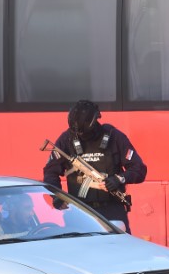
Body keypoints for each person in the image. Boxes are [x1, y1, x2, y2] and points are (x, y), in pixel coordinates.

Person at [43, 100, 147, 233]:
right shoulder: (67, 139)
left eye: (84, 133)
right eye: (77, 133)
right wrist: (57, 196)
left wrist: (119, 179)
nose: (81, 136)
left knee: (119, 252)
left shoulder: (114, 137)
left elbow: (139, 169)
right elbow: (50, 172)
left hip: (111, 210)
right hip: (78, 211)